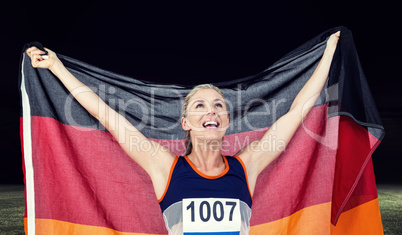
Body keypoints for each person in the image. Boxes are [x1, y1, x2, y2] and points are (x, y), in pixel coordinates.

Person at [25, 31, 340, 234]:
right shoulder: (165, 167)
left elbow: (298, 110)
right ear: (186, 123)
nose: (211, 111)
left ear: (227, 121)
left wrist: (329, 53)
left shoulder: (248, 165)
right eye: (200, 106)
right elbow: (106, 115)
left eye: (218, 105)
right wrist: (56, 68)